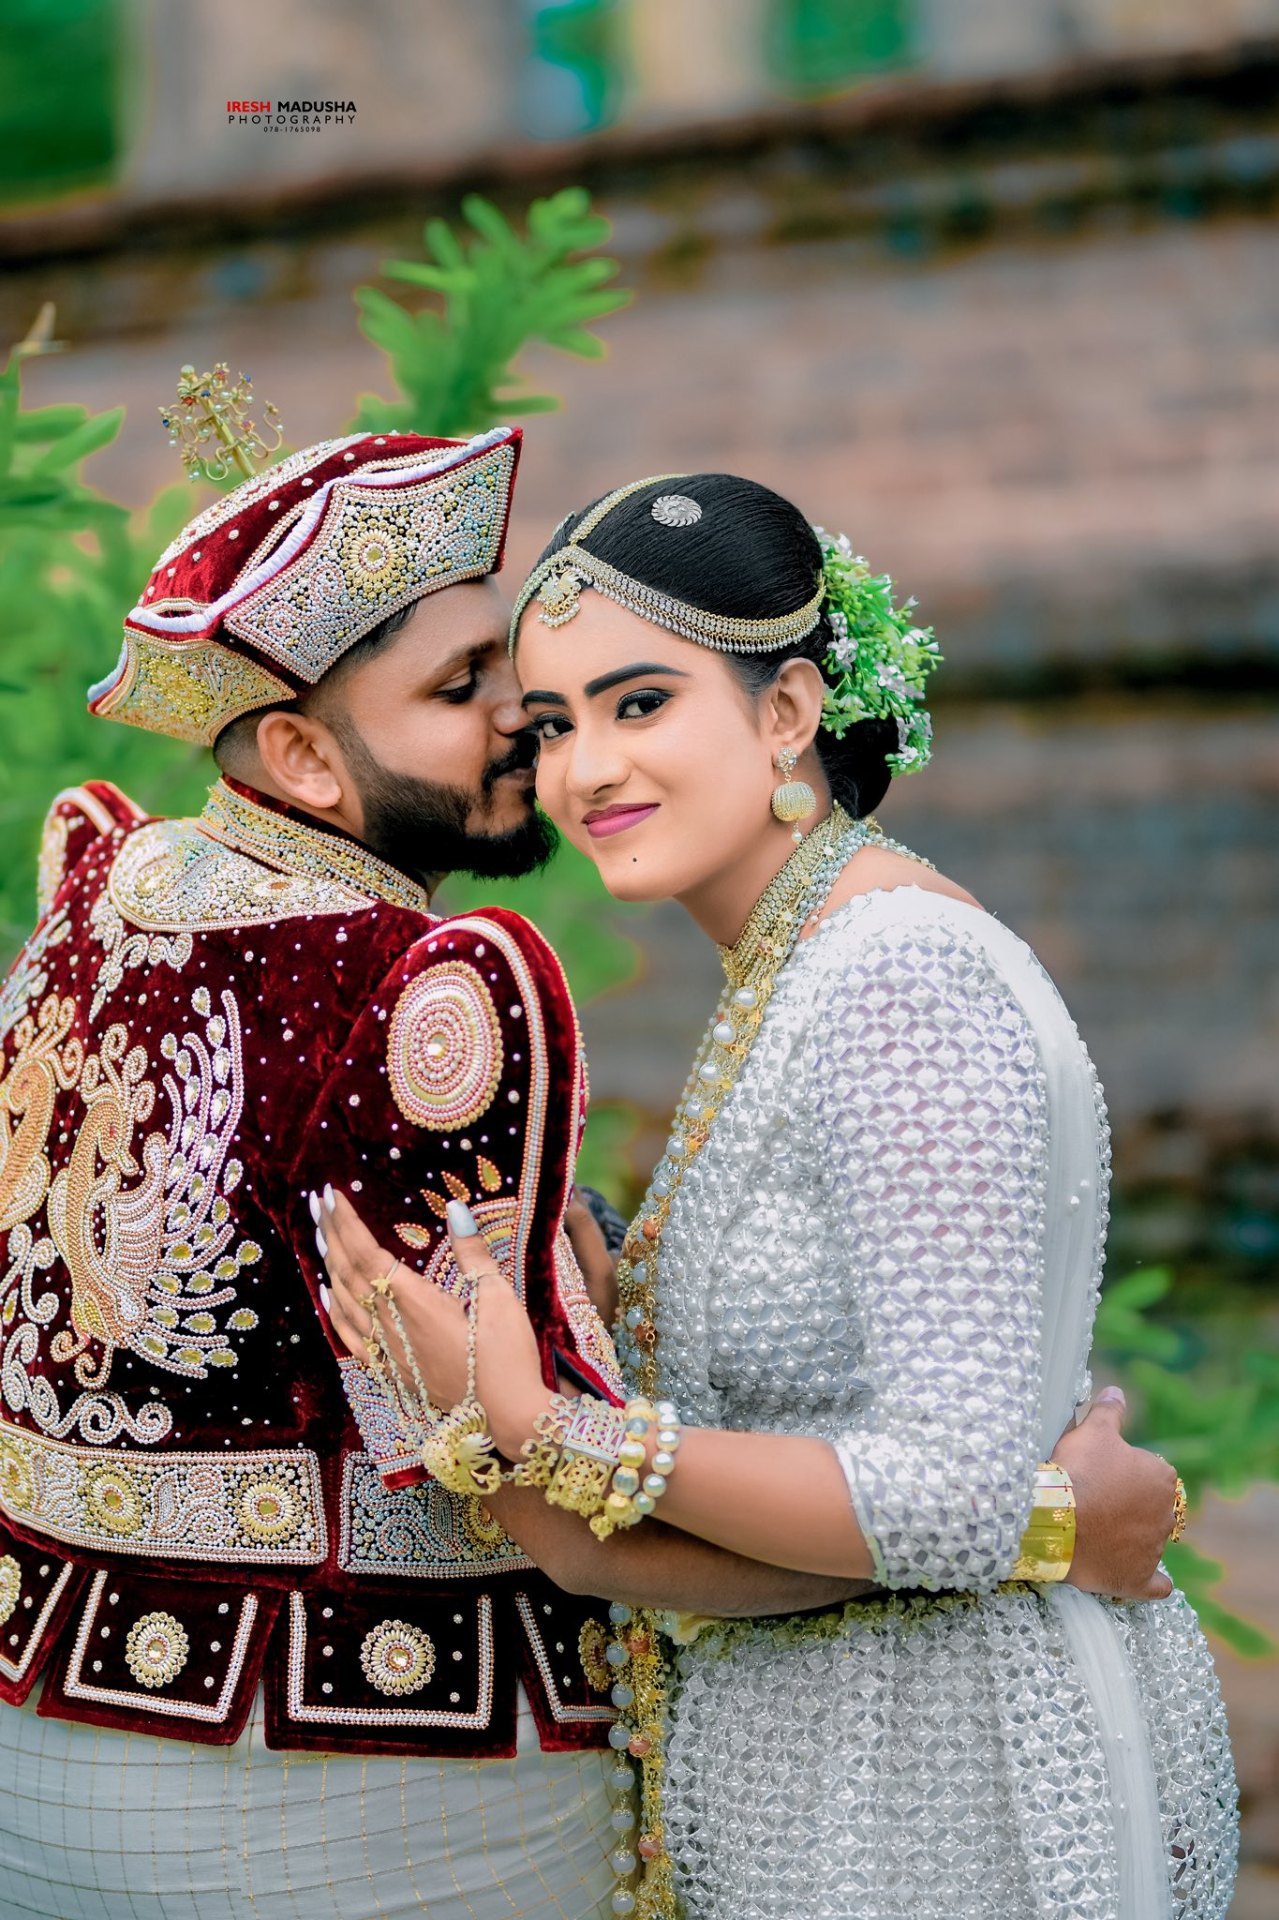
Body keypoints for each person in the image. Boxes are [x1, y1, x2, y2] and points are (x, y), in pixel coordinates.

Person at [319, 472, 1238, 1920]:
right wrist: (592, 1313)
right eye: (555, 727)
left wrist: (550, 1425)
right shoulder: (798, 968)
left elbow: (945, 1495)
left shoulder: (895, 982)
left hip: (954, 1802)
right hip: (853, 1776)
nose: (583, 770)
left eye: (639, 705)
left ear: (787, 714)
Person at [0, 427, 879, 1920]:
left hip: (40, 1741)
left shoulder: (100, 884)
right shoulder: (427, 987)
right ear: (300, 757)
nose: (529, 728)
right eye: (463, 691)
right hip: (356, 1790)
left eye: (512, 677)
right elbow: (567, 1503)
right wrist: (972, 1540)